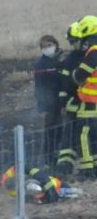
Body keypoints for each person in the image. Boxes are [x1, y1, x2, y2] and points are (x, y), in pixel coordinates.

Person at [57, 22, 86, 175]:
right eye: (71, 42)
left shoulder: (92, 57)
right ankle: (64, 167)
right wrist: (63, 101)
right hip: (74, 106)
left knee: (86, 139)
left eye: (74, 41)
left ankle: (85, 167)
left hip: (89, 106)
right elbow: (64, 83)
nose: (73, 45)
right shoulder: (70, 60)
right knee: (69, 137)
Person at [71, 15, 97, 178]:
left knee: (84, 135)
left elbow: (81, 73)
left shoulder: (94, 52)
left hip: (91, 103)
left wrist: (74, 75)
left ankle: (87, 170)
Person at [34, 35, 63, 167]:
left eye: (49, 45)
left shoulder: (63, 59)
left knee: (67, 132)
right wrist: (42, 108)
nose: (47, 48)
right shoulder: (41, 64)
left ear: (55, 44)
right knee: (51, 133)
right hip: (50, 105)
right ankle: (49, 162)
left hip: (66, 101)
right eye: (43, 47)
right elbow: (39, 87)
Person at [1, 166, 73, 204]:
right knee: (32, 187)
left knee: (39, 181)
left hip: (55, 184)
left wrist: (49, 186)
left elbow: (28, 168)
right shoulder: (13, 191)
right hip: (38, 189)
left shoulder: (11, 172)